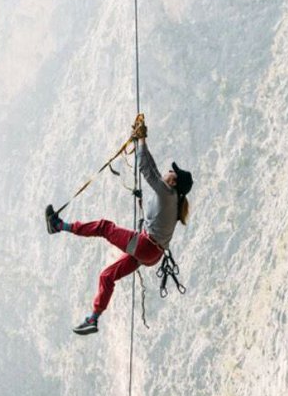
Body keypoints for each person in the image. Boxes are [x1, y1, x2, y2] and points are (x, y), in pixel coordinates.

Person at [45, 116, 192, 335]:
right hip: (152, 254)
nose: (169, 171)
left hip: (145, 246)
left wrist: (140, 140)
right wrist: (142, 140)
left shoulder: (166, 193)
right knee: (107, 276)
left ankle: (59, 226)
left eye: (172, 173)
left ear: (174, 181)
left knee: (104, 227)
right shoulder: (173, 200)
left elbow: (145, 167)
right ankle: (94, 318)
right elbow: (151, 167)